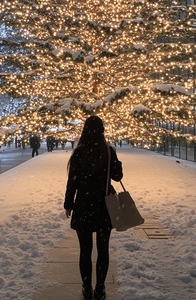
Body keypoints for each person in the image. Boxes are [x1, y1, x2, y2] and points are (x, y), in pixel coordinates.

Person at [64, 116, 123, 300]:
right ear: (102, 130)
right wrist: (114, 160)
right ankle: (100, 288)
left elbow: (72, 182)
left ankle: (87, 287)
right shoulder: (107, 151)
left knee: (85, 250)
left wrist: (69, 204)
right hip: (103, 206)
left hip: (83, 205)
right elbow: (117, 176)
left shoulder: (79, 153)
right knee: (103, 248)